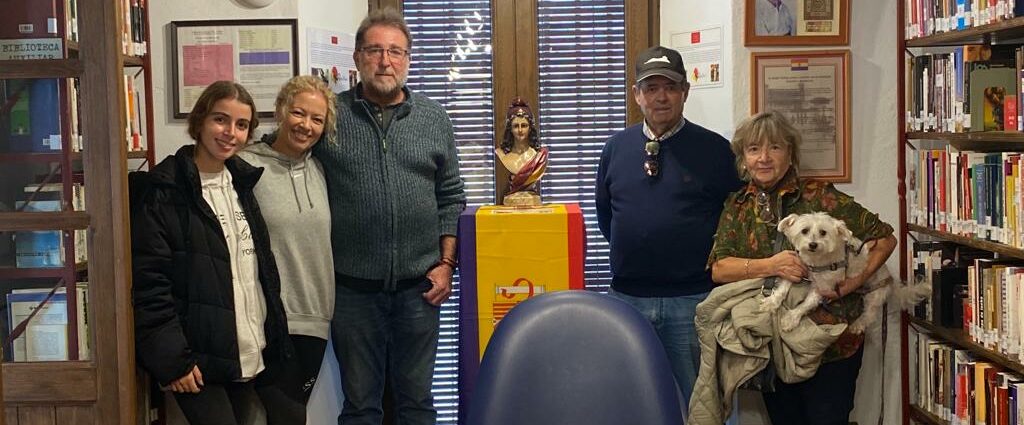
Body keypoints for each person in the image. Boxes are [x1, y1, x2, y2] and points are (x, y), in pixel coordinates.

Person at [313, 7, 466, 425]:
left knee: (417, 404)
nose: (386, 61)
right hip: (352, 291)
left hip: (419, 290)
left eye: (396, 52)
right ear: (358, 57)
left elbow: (451, 197)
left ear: (408, 59)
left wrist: (446, 265)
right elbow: (286, 156)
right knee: (361, 406)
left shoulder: (434, 118)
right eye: (376, 50)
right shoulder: (329, 116)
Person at [707, 111, 897, 425]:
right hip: (775, 343)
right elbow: (720, 269)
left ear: (791, 154)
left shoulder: (820, 195)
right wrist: (771, 265)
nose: (764, 158)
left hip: (833, 345)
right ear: (743, 158)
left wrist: (851, 283)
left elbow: (885, 239)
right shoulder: (737, 206)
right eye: (754, 150)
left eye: (775, 148)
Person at [130, 81, 292, 425]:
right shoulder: (165, 190)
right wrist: (173, 360)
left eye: (241, 125)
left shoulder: (242, 184)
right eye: (221, 119)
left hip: (249, 354)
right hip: (197, 361)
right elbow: (150, 284)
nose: (230, 133)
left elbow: (254, 272)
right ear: (200, 121)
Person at [595, 45, 743, 408]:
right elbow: (606, 218)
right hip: (628, 301)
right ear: (637, 95)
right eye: (651, 88)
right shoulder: (616, 148)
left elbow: (736, 222)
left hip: (693, 302)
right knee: (629, 402)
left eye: (670, 87)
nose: (661, 97)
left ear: (685, 92)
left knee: (703, 404)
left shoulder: (715, 150)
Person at [237, 75, 337, 423]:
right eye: (298, 113)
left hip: (316, 320)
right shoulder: (245, 166)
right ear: (281, 111)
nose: (305, 125)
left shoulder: (322, 169)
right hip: (269, 321)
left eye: (317, 119)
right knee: (284, 417)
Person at [495, 97, 548, 205]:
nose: (520, 130)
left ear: (530, 128)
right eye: (515, 126)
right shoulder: (501, 154)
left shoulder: (539, 157)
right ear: (510, 128)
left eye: (524, 125)